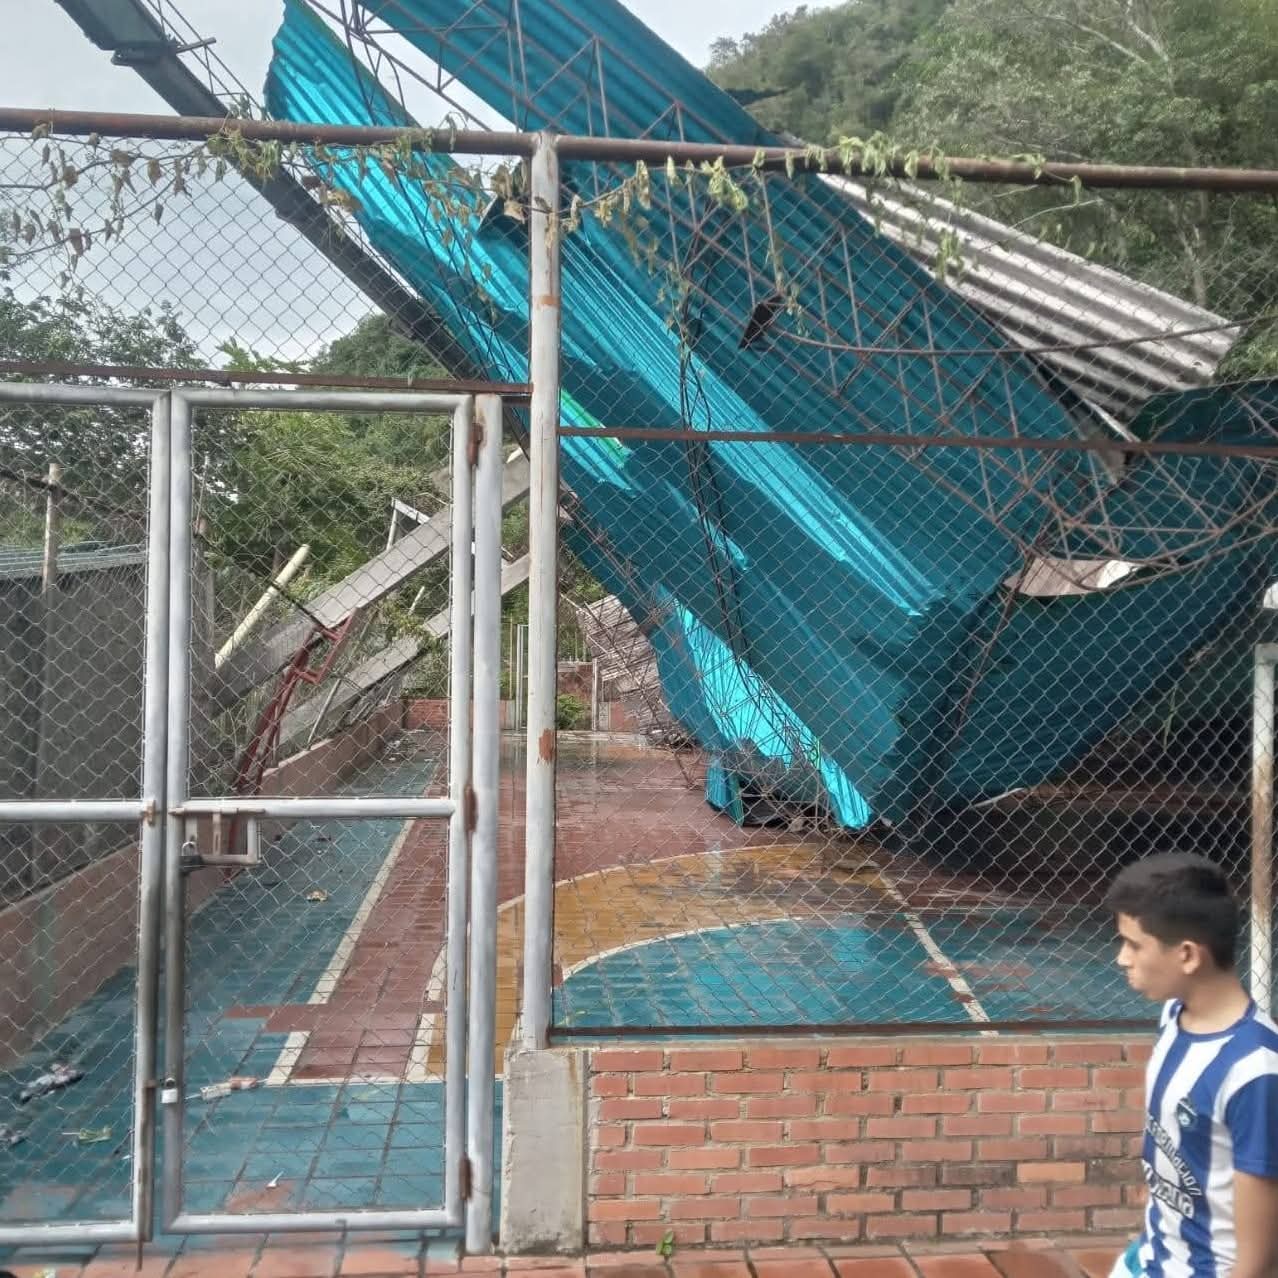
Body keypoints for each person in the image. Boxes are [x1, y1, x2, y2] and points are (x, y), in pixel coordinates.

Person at [1105, 853, 1278, 1277]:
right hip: (1149, 1258)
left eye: (1133, 944)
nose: (1121, 959)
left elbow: (1258, 1261)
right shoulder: (1173, 1016)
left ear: (1187, 955)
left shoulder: (1255, 1072)